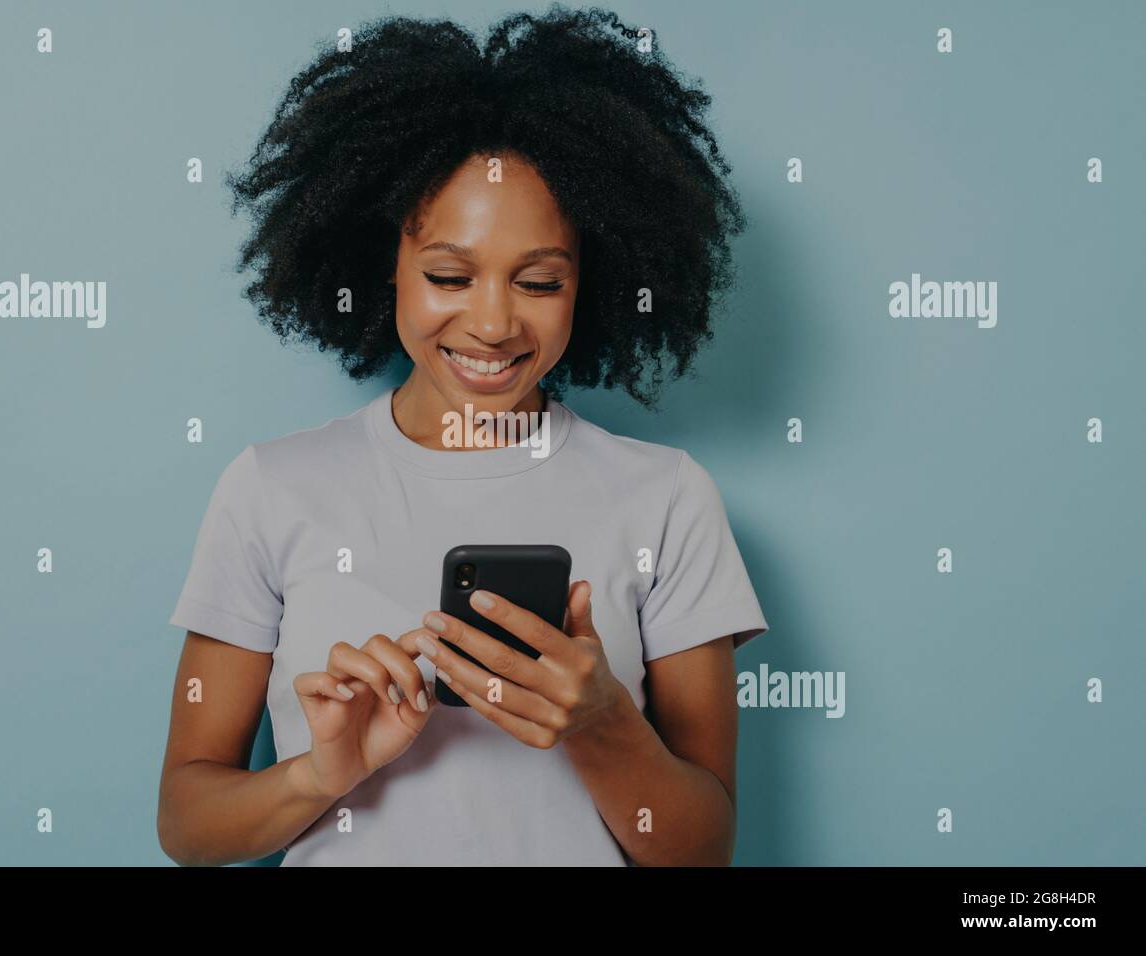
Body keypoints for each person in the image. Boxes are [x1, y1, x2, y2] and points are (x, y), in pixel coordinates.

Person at [157, 6, 768, 867]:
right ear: (385, 267)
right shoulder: (271, 488)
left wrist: (601, 724)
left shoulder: (667, 499)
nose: (492, 323)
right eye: (449, 275)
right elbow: (188, 826)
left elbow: (702, 851)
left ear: (591, 284)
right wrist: (318, 775)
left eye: (540, 282)